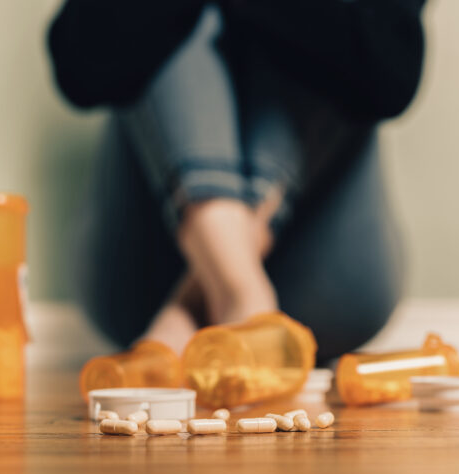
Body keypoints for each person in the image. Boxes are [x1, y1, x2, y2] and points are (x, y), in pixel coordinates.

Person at [47, 0, 428, 363]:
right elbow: (82, 68)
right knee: (160, 28)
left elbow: (389, 72)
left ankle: (198, 303)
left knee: (352, 34)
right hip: (139, 277)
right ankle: (240, 291)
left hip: (324, 278)